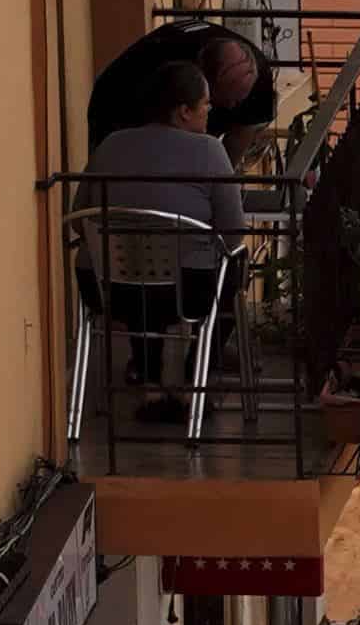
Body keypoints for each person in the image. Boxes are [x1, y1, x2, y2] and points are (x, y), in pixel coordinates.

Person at [80, 60, 249, 422]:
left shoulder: (111, 144)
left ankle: (149, 381)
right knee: (234, 265)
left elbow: (81, 214)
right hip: (186, 290)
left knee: (142, 274)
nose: (210, 111)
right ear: (183, 112)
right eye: (205, 105)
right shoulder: (209, 152)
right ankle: (194, 377)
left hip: (107, 289)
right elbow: (234, 234)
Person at [86, 18, 280, 155]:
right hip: (114, 103)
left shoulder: (258, 77)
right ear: (205, 84)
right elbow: (164, 148)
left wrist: (224, 185)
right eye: (227, 98)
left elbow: (240, 137)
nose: (231, 106)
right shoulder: (162, 72)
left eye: (239, 101)